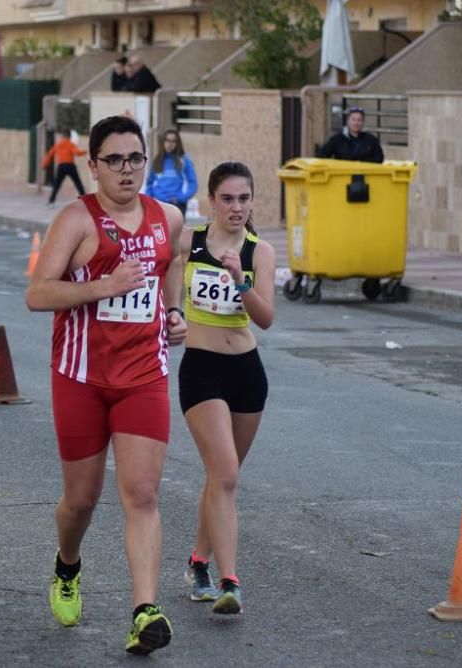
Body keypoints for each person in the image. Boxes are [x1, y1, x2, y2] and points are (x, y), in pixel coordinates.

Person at [24, 114, 187, 655]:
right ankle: (67, 564)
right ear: (92, 166)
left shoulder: (169, 216)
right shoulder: (75, 220)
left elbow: (170, 265)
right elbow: (38, 294)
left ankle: (145, 611)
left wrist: (172, 312)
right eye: (113, 160)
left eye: (135, 158)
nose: (126, 170)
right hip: (82, 377)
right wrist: (103, 285)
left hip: (144, 374)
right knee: (82, 500)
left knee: (142, 493)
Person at [176, 160, 275, 615]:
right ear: (212, 201)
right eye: (228, 198)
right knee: (227, 474)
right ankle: (230, 580)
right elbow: (162, 278)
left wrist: (241, 280)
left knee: (222, 479)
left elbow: (266, 319)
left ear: (253, 201)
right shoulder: (189, 243)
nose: (237, 207)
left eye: (244, 198)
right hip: (201, 369)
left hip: (247, 373)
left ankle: (198, 561)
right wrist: (169, 315)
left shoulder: (259, 252)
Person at [146, 129, 197, 217]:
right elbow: (149, 183)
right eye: (167, 140)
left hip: (177, 205)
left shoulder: (184, 160)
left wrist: (181, 198)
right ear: (163, 142)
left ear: (178, 143)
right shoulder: (157, 160)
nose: (170, 144)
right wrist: (151, 200)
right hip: (158, 204)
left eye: (173, 141)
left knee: (174, 231)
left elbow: (193, 183)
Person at [316, 107, 384, 163]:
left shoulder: (371, 140)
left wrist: (361, 162)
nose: (356, 123)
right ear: (348, 121)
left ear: (363, 122)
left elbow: (379, 159)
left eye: (359, 120)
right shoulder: (336, 140)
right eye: (353, 120)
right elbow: (321, 156)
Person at [41, 129, 86, 207]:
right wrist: (85, 152)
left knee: (56, 185)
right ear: (70, 136)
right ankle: (86, 201)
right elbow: (77, 153)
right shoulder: (71, 144)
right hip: (70, 166)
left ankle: (51, 202)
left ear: (63, 136)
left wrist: (45, 164)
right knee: (78, 183)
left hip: (61, 167)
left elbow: (50, 154)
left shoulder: (58, 144)